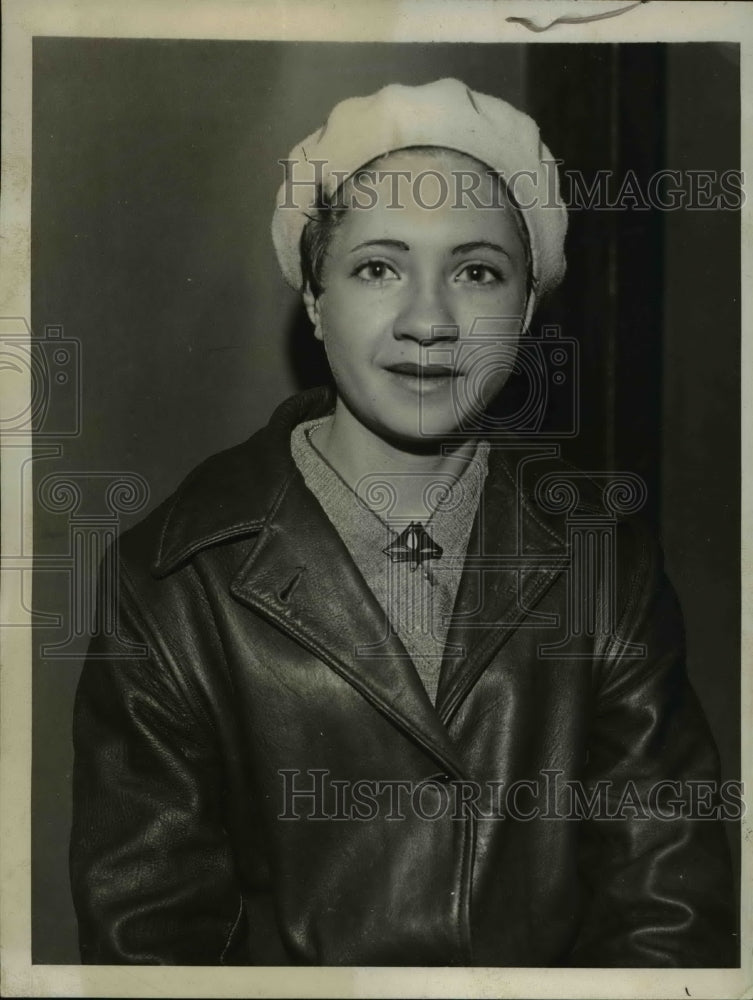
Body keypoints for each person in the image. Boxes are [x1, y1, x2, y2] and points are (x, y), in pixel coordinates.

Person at [70, 78, 736, 966]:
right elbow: (149, 945)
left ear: (528, 310)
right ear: (313, 298)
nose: (428, 322)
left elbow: (668, 912)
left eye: (476, 271)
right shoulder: (170, 580)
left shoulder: (600, 557)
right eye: (377, 267)